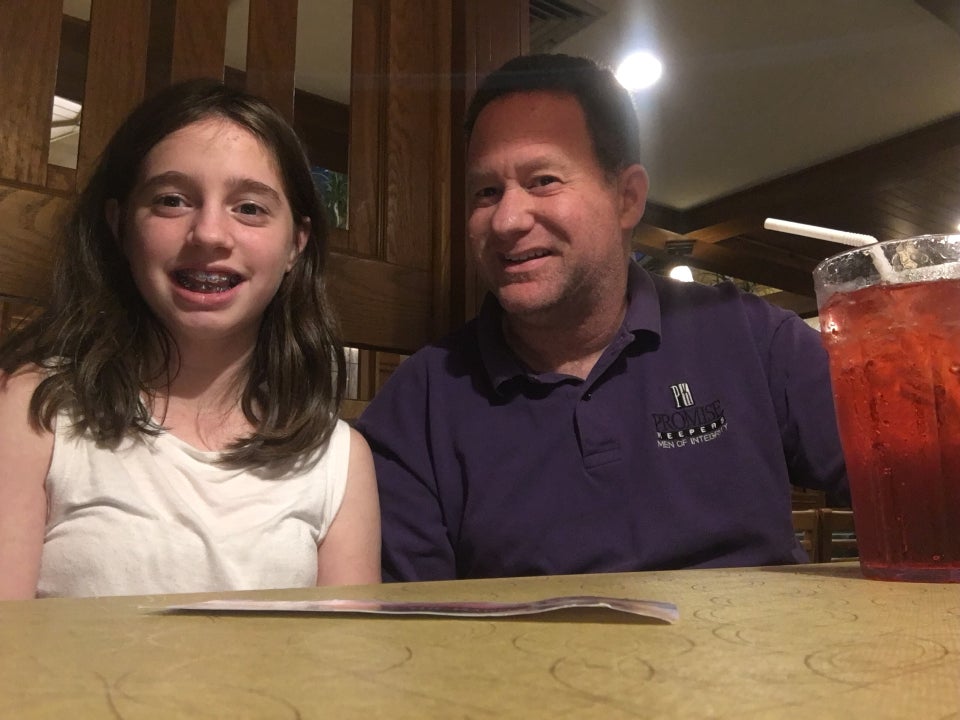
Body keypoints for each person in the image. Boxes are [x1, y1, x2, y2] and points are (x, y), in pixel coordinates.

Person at [356, 53, 848, 582]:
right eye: (486, 192)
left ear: (627, 198)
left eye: (543, 180)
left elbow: (900, 474)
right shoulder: (421, 403)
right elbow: (413, 619)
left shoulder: (747, 334)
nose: (506, 220)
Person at [0, 79, 380, 599]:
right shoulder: (34, 412)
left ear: (296, 243)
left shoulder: (337, 460)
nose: (209, 234)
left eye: (250, 208)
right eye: (172, 200)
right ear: (119, 225)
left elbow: (348, 647)